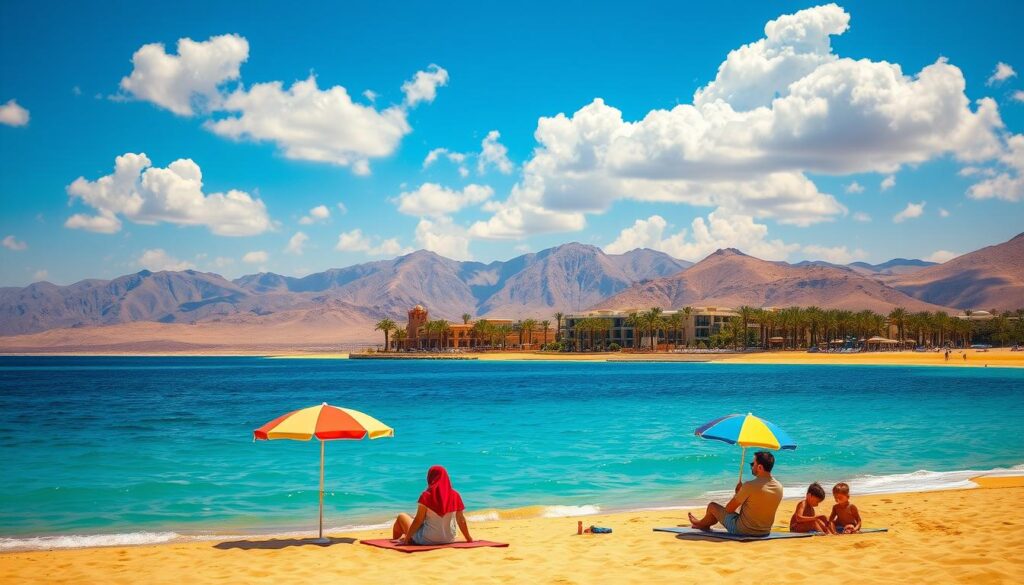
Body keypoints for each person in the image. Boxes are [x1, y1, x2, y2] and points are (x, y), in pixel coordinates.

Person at [688, 451, 784, 536]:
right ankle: (701, 523)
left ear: (759, 467)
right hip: (765, 531)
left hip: (743, 530)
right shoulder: (779, 487)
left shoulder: (749, 486)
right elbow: (758, 506)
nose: (751, 466)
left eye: (752, 464)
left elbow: (729, 509)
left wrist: (738, 494)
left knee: (712, 507)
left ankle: (700, 524)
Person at [393, 465, 473, 545]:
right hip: (449, 539)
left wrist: (406, 539)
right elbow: (461, 520)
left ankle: (395, 540)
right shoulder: (455, 495)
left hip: (427, 539)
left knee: (401, 516)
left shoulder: (426, 495)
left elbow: (419, 520)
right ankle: (400, 539)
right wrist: (468, 538)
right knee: (412, 518)